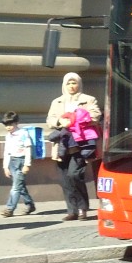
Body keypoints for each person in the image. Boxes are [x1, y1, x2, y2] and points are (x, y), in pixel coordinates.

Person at [46, 72, 100, 220]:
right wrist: (59, 122)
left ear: (79, 84)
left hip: (80, 144)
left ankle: (83, 208)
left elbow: (95, 116)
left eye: (74, 83)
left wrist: (75, 120)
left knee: (74, 175)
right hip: (62, 145)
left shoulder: (88, 100)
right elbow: (50, 120)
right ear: (64, 85)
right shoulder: (57, 102)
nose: (71, 86)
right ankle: (72, 210)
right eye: (69, 83)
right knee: (65, 179)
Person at [2, 111, 36, 217]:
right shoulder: (8, 136)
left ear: (16, 123)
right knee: (20, 186)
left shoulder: (23, 133)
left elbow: (28, 149)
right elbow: (7, 151)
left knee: (16, 187)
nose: (8, 127)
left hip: (21, 161)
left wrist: (27, 164)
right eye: (6, 125)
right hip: (12, 161)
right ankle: (30, 204)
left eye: (11, 124)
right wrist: (5, 166)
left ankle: (10, 208)